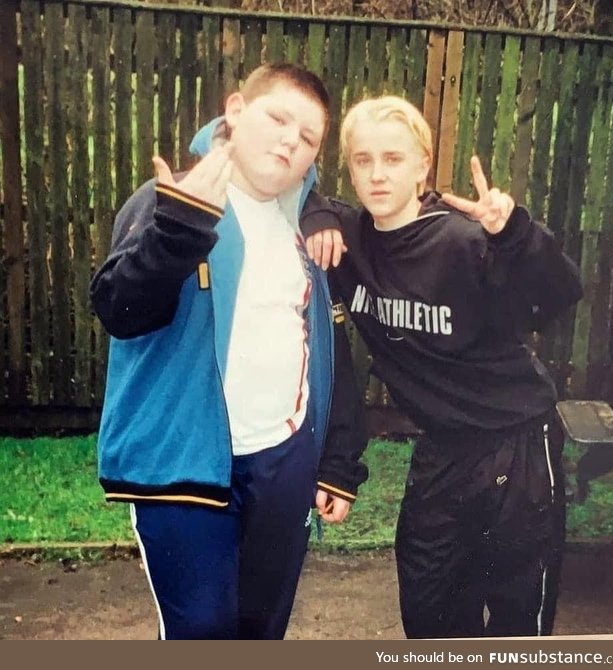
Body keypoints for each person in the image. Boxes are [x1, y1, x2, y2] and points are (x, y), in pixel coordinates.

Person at [90, 63, 368, 640]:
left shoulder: (310, 227)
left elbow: (329, 346)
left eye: (309, 137)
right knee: (203, 630)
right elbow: (119, 310)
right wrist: (179, 228)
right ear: (236, 110)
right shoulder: (172, 199)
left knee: (262, 629)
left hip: (283, 463)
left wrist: (338, 460)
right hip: (187, 466)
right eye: (278, 118)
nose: (291, 140)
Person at [302, 96, 583, 638]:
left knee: (516, 618)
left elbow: (559, 294)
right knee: (430, 612)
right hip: (441, 449)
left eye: (394, 159)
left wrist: (516, 235)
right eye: (363, 160)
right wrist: (313, 210)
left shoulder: (466, 238)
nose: (378, 174)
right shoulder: (348, 239)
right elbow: (290, 185)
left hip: (517, 443)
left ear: (422, 166)